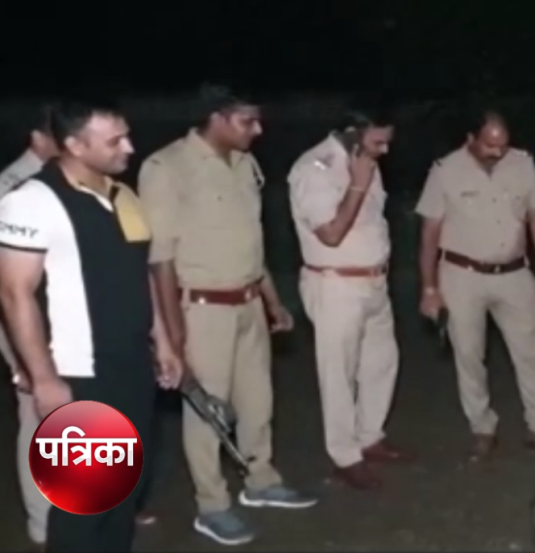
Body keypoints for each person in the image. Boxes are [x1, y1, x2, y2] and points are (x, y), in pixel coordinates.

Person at [0, 97, 184, 552]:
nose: (130, 148)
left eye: (127, 136)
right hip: (80, 372)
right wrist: (44, 378)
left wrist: (163, 342)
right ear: (74, 145)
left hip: (132, 365)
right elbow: (14, 293)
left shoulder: (124, 195)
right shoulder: (30, 202)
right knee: (84, 502)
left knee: (124, 491)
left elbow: (139, 271)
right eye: (115, 141)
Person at [138, 84, 317, 546]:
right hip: (201, 308)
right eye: (246, 120)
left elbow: (251, 243)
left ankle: (261, 480)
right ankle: (212, 504)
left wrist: (272, 301)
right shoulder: (167, 168)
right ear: (217, 118)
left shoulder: (244, 164)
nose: (257, 129)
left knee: (258, 400)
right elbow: (160, 259)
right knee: (207, 411)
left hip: (248, 302)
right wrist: (173, 335)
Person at [416, 108, 535, 463]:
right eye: (489, 145)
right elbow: (429, 233)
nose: (498, 151)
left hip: (515, 273)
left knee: (530, 352)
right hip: (461, 274)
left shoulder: (523, 164)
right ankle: (482, 427)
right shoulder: (445, 170)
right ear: (470, 139)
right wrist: (429, 288)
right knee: (469, 355)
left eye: (503, 145)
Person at [287, 107, 413, 491]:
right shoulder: (315, 168)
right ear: (352, 132)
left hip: (373, 281)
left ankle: (370, 436)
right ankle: (344, 456)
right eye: (378, 141)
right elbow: (331, 234)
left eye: (388, 142)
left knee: (381, 362)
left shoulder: (366, 160)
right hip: (335, 284)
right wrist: (358, 184)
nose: (385, 150)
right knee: (339, 373)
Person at [0, 103, 59, 548]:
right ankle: (43, 520)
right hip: (22, 317)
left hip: (62, 316)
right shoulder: (12, 188)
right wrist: (16, 351)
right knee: (37, 416)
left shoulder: (64, 182)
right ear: (39, 138)